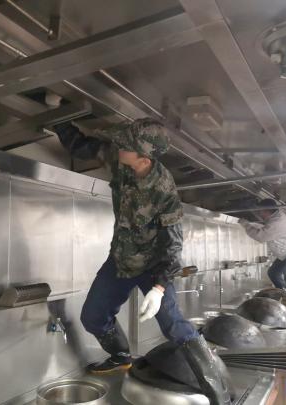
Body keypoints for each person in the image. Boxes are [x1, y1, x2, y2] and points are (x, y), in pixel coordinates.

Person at [53, 118, 232, 405]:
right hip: (120, 261)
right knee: (93, 317)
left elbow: (173, 246)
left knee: (173, 325)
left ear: (144, 157)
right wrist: (59, 120)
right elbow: (83, 147)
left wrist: (159, 289)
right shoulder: (120, 160)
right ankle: (120, 355)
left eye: (126, 146)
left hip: (152, 266)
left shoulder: (163, 189)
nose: (118, 147)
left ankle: (214, 384)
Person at [238, 199, 286, 295]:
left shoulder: (278, 222)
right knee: (273, 273)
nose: (259, 213)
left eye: (261, 211)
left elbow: (261, 237)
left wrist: (246, 225)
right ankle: (282, 292)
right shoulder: (274, 216)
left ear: (267, 211)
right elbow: (263, 222)